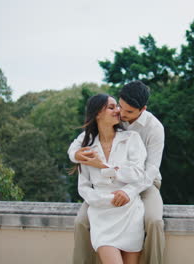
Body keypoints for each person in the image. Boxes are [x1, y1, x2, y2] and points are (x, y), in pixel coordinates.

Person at [68, 81, 165, 264]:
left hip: (146, 182)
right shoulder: (110, 120)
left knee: (154, 222)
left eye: (128, 112)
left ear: (142, 109)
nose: (121, 114)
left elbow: (149, 171)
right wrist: (78, 156)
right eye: (120, 107)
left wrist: (128, 191)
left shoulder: (154, 129)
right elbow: (77, 147)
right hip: (107, 189)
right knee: (81, 222)